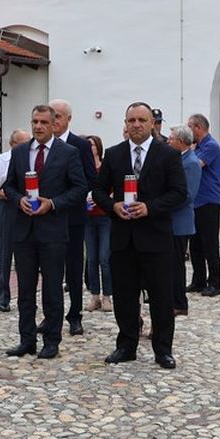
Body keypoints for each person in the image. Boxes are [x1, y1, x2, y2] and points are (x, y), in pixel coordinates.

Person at [93, 102, 186, 369]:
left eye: (141, 120)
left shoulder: (168, 154)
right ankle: (126, 345)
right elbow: (98, 191)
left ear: (151, 124)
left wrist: (150, 207)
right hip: (123, 238)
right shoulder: (114, 154)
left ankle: (163, 349)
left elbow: (179, 193)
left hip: (156, 237)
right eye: (131, 120)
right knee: (124, 296)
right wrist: (113, 206)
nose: (136, 125)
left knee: (161, 296)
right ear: (125, 123)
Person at [2, 104, 88, 359]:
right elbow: (8, 186)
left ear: (54, 124)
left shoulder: (68, 152)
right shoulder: (20, 152)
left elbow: (79, 188)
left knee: (52, 290)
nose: (38, 126)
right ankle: (26, 339)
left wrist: (53, 203)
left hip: (53, 231)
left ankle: (52, 340)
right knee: (25, 290)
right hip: (24, 231)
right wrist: (18, 199)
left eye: (43, 122)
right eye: (35, 122)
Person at [49, 99, 97, 336]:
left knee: (74, 268)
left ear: (68, 119)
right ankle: (51, 315)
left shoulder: (80, 145)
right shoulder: (41, 145)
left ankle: (75, 315)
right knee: (50, 269)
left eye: (58, 116)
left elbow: (90, 179)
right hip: (47, 217)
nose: (54, 121)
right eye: (51, 115)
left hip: (72, 217)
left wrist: (66, 196)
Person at [0, 128, 30, 311]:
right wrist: (8, 195)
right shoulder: (1, 160)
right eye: (22, 143)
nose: (26, 146)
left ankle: (25, 296)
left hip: (26, 206)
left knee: (25, 253)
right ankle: (3, 297)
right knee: (4, 252)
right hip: (6, 206)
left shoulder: (31, 159)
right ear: (12, 144)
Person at [186, 113, 220, 296]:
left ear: (198, 128)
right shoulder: (198, 146)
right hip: (195, 201)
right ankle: (198, 280)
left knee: (210, 244)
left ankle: (215, 283)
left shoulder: (211, 146)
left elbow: (195, 165)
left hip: (208, 200)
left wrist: (187, 150)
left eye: (190, 127)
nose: (188, 131)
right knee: (195, 245)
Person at [168, 124, 202, 317]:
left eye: (171, 138)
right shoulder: (177, 159)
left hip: (180, 222)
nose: (168, 141)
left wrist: (163, 204)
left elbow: (187, 195)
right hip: (171, 221)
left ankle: (179, 303)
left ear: (181, 142)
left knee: (176, 264)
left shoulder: (191, 163)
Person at [84, 134, 112, 312]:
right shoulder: (83, 167)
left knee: (104, 258)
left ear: (98, 147)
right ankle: (94, 295)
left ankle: (107, 295)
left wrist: (103, 198)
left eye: (92, 145)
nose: (90, 148)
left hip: (104, 217)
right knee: (91, 258)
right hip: (88, 217)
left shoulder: (105, 167)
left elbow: (113, 189)